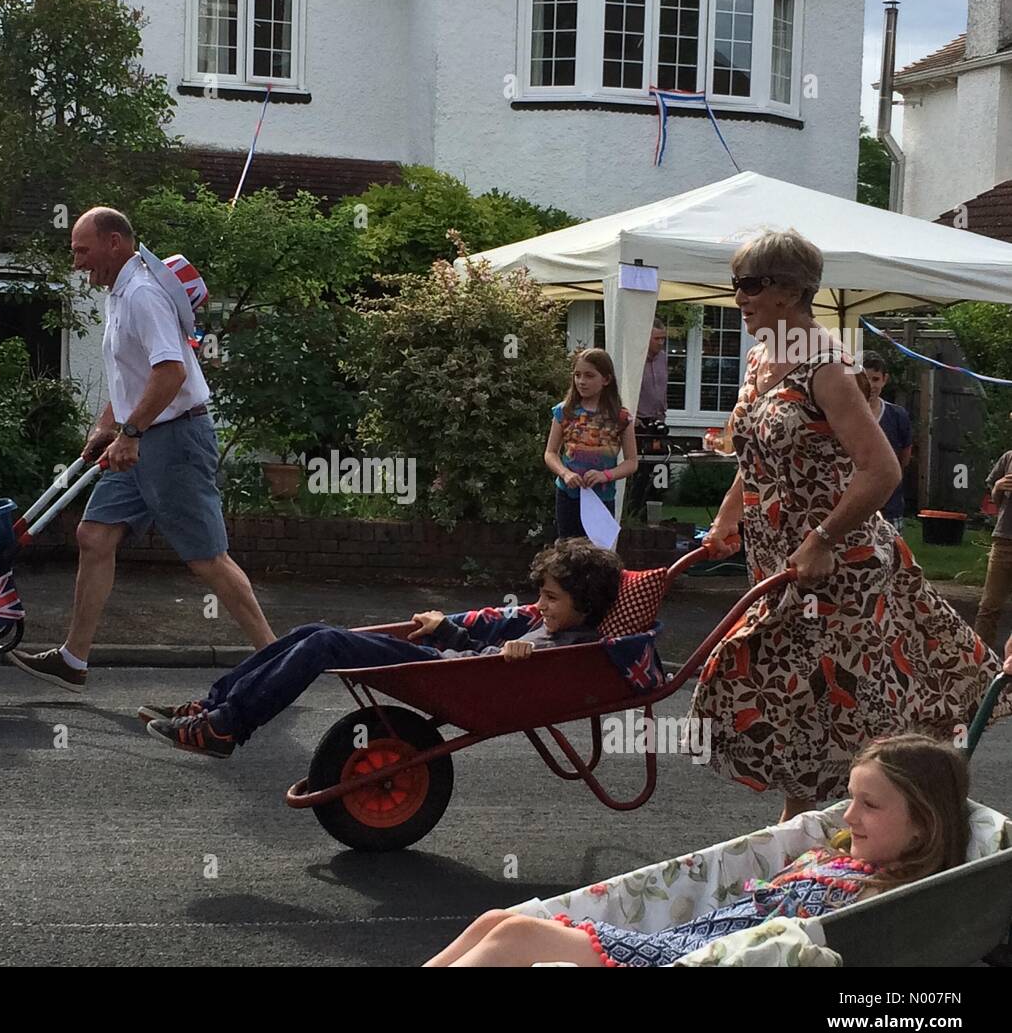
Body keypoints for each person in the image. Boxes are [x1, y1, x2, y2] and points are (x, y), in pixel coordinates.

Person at [689, 229, 1007, 823]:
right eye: (735, 284)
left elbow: (880, 470)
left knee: (846, 700)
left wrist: (821, 540)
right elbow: (756, 457)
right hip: (779, 562)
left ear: (791, 290)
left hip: (841, 565)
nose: (739, 296)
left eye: (751, 284)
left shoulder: (828, 369)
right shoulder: (761, 356)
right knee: (794, 695)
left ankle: (902, 821)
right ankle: (818, 823)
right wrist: (727, 518)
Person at [6, 207, 275, 694]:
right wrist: (107, 426)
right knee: (93, 535)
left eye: (82, 251)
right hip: (141, 436)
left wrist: (130, 433)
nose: (77, 263)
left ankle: (276, 659)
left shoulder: (144, 294)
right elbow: (136, 373)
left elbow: (170, 373)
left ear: (115, 243)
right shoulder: (119, 292)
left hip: (173, 439)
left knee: (206, 558)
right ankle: (73, 659)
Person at [424, 733, 968, 966]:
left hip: (693, 959)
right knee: (498, 917)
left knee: (518, 934)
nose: (848, 816)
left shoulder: (887, 897)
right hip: (687, 938)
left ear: (922, 828)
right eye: (850, 799)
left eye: (870, 806)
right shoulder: (839, 854)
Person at [140, 539, 623, 758]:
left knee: (325, 642)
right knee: (314, 630)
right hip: (453, 667)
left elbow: (495, 664)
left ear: (585, 603)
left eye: (552, 598)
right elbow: (492, 646)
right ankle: (215, 704)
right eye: (540, 594)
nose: (540, 605)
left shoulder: (571, 643)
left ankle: (227, 726)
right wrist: (453, 630)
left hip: (449, 672)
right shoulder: (551, 625)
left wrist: (493, 647)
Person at [544, 348, 638, 539]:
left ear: (606, 379)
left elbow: (631, 462)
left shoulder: (620, 417)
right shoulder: (564, 411)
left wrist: (606, 475)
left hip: (601, 498)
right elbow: (550, 453)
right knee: (568, 551)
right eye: (577, 375)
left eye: (589, 376)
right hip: (568, 495)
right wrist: (565, 473)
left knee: (598, 554)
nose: (581, 381)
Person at [860, 350, 912, 531]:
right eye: (865, 379)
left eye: (875, 379)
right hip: (853, 501)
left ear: (884, 379)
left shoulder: (897, 416)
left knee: (891, 555)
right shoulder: (844, 414)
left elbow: (904, 457)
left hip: (889, 505)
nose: (870, 385)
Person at [626, 318, 669, 521]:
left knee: (661, 467)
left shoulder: (663, 358)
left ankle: (652, 514)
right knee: (639, 471)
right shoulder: (634, 359)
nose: (661, 343)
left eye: (663, 338)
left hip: (658, 421)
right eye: (657, 339)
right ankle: (631, 513)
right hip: (638, 422)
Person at [976, 445, 1012, 647]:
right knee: (989, 607)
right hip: (1004, 540)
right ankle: (980, 660)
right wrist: (998, 487)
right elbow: (995, 502)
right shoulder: (1008, 458)